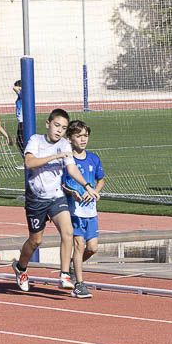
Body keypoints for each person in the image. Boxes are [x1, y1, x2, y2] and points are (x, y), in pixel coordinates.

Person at [10, 109, 98, 298]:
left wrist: (87, 185)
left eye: (63, 128)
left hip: (56, 197)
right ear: (48, 123)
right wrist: (53, 156)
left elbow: (71, 168)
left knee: (68, 232)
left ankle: (65, 274)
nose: (59, 130)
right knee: (36, 241)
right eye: (57, 125)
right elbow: (29, 163)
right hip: (36, 199)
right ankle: (20, 267)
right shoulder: (36, 140)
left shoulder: (65, 144)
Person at [61, 120, 104, 299]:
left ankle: (72, 265)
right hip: (75, 211)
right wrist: (73, 193)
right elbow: (63, 184)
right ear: (70, 138)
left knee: (92, 248)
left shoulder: (94, 158)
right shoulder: (67, 159)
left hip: (91, 211)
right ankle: (79, 284)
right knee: (79, 245)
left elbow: (101, 180)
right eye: (78, 136)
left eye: (85, 135)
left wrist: (95, 191)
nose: (83, 139)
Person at [13, 80, 24, 149]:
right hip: (21, 122)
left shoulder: (23, 94)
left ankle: (27, 158)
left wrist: (20, 87)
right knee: (19, 142)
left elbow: (14, 88)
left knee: (21, 142)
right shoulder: (21, 95)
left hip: (23, 122)